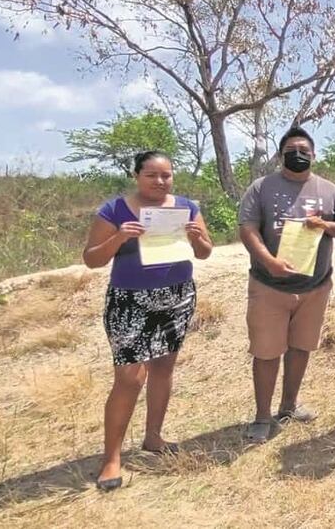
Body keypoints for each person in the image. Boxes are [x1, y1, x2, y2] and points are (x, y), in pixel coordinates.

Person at [83, 151, 213, 491]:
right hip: (130, 300)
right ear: (136, 175)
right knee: (129, 378)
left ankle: (153, 437)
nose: (159, 181)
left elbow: (205, 252)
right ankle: (111, 459)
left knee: (163, 368)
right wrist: (119, 237)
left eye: (166, 175)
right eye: (151, 175)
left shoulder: (187, 207)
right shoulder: (114, 211)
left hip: (176, 297)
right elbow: (92, 259)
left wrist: (197, 237)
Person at [238, 126, 335, 442]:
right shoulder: (261, 188)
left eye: (304, 150)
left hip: (315, 288)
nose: (298, 154)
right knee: (266, 352)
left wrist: (326, 224)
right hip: (269, 286)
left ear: (314, 155)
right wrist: (269, 261)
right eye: (291, 150)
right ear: (280, 155)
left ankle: (289, 405)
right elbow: (248, 229)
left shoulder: (328, 189)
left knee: (301, 347)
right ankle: (262, 416)